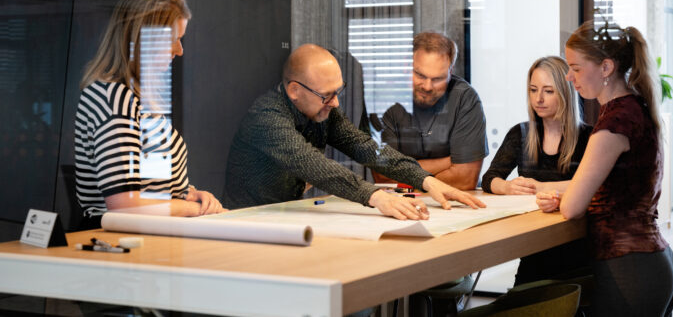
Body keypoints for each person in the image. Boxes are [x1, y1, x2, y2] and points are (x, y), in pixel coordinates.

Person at [222, 44, 485, 219]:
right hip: (246, 222)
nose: (335, 102)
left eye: (338, 91)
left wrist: (426, 180)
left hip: (286, 215)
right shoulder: (266, 117)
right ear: (294, 90)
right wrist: (376, 196)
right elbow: (314, 166)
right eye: (327, 95)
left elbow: (367, 148)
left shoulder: (323, 108)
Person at [536, 20, 673, 316]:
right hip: (652, 260)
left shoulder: (613, 125)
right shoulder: (635, 108)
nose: (569, 77)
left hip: (630, 269)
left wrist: (566, 198)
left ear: (606, 67)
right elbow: (614, 185)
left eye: (576, 68)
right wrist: (553, 190)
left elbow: (573, 208)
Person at [75, 0, 224, 229]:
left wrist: (188, 193)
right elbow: (124, 204)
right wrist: (192, 209)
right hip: (124, 240)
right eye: (174, 39)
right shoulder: (116, 100)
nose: (179, 50)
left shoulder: (134, 96)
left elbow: (151, 185)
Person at [482, 56, 592, 286]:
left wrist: (540, 187)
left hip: (577, 250)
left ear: (565, 93)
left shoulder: (589, 137)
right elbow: (489, 179)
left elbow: (591, 185)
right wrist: (507, 187)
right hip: (533, 247)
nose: (538, 99)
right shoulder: (520, 133)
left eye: (548, 91)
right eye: (533, 90)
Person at [378, 32, 488, 190]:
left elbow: (465, 179)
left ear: (450, 71)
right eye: (420, 75)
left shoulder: (465, 99)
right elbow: (382, 175)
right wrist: (450, 161)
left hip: (454, 201)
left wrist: (403, 172)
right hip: (398, 201)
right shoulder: (384, 98)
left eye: (438, 79)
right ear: (406, 65)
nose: (428, 87)